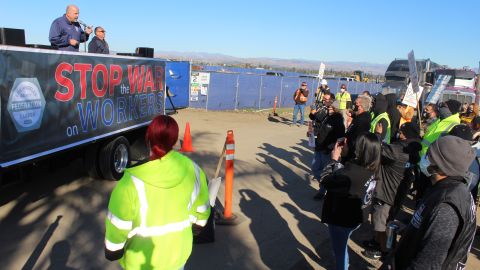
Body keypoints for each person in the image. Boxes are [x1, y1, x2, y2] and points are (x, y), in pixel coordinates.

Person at [104, 115, 211, 269]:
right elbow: (202, 210)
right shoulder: (193, 170)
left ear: (148, 138)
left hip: (140, 262)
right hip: (177, 256)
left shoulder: (129, 183)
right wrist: (198, 225)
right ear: (174, 140)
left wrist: (113, 250)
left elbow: (118, 225)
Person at [390, 136, 476, 269]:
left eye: (429, 155)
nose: (424, 157)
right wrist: (410, 230)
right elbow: (429, 225)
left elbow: (428, 263)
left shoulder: (446, 206)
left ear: (442, 166)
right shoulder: (445, 187)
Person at [320, 133, 381, 270]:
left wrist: (334, 160)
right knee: (344, 243)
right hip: (358, 216)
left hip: (342, 219)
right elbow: (350, 168)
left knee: (339, 251)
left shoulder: (350, 174)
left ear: (359, 150)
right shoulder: (373, 166)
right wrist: (345, 155)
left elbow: (325, 180)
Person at [362, 122, 421, 260]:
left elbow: (375, 149)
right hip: (397, 194)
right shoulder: (413, 151)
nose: (398, 133)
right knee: (385, 221)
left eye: (401, 131)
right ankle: (376, 242)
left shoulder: (397, 151)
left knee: (381, 225)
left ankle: (383, 252)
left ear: (405, 134)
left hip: (386, 194)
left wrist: (377, 134)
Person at [308, 94, 345, 200]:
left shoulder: (338, 120)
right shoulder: (326, 116)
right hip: (319, 147)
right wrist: (312, 135)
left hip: (327, 151)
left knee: (325, 172)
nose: (328, 108)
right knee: (315, 169)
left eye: (331, 107)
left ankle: (324, 190)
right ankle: (326, 186)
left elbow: (340, 137)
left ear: (336, 109)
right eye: (328, 107)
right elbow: (316, 123)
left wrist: (332, 147)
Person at [345, 95, 372, 161]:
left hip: (352, 152)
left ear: (361, 106)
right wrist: (353, 114)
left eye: (356, 104)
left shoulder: (362, 120)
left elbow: (355, 138)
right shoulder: (361, 116)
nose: (354, 106)